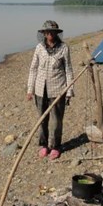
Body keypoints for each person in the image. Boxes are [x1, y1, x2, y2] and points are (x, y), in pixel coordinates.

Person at [26, 20, 74, 160]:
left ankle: (55, 146)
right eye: (47, 32)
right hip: (40, 90)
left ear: (56, 33)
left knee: (56, 121)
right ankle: (44, 145)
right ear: (44, 34)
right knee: (42, 120)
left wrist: (69, 91)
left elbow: (68, 70)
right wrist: (30, 89)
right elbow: (33, 69)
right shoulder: (39, 48)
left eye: (52, 32)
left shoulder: (63, 48)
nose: (50, 34)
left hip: (58, 89)